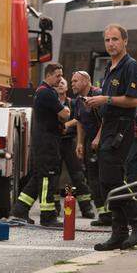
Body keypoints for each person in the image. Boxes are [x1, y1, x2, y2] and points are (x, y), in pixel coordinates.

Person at [85, 24, 137, 251]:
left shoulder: (130, 66)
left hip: (121, 128)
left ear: (125, 41)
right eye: (107, 40)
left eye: (115, 39)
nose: (111, 44)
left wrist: (106, 99)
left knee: (111, 179)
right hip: (108, 128)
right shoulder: (109, 66)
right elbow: (106, 105)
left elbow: (135, 101)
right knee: (108, 181)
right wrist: (97, 134)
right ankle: (119, 232)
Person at [10, 63, 70, 227]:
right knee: (47, 179)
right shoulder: (47, 93)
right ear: (49, 75)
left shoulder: (43, 91)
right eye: (58, 75)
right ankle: (48, 215)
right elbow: (64, 114)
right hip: (47, 143)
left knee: (38, 178)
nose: (60, 79)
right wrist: (66, 111)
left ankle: (20, 210)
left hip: (43, 142)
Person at [71, 70, 111, 226]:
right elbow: (79, 121)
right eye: (72, 81)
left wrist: (98, 138)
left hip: (104, 140)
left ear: (86, 81)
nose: (72, 84)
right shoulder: (78, 100)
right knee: (92, 178)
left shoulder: (97, 96)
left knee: (105, 178)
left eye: (75, 81)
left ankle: (112, 213)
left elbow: (106, 119)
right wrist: (80, 143)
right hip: (90, 141)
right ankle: (103, 215)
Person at [52, 78, 95, 219]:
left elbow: (79, 118)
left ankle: (86, 208)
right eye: (57, 83)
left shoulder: (74, 102)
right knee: (55, 176)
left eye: (62, 83)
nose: (60, 85)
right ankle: (55, 208)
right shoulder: (51, 101)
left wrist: (66, 125)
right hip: (55, 143)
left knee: (77, 176)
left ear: (66, 89)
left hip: (69, 142)